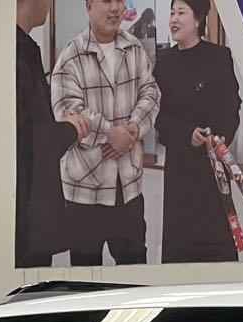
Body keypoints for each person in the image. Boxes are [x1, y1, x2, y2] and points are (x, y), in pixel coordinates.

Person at [51, 0, 161, 267]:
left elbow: (151, 93)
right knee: (86, 275)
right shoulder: (71, 55)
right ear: (89, 6)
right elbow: (67, 109)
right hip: (85, 189)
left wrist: (133, 129)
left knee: (134, 269)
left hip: (128, 186)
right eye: (107, 1)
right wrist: (110, 135)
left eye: (120, 1)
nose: (115, 8)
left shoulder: (134, 48)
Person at [155, 0, 241, 263]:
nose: (174, 19)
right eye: (172, 13)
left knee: (217, 237)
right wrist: (185, 134)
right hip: (180, 167)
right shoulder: (164, 63)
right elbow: (156, 114)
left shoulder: (219, 57)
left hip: (213, 164)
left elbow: (232, 105)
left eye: (181, 13)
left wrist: (221, 135)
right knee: (180, 241)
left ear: (198, 19)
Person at [16, 0, 83, 267]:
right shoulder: (17, 52)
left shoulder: (26, 48)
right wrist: (70, 129)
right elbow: (25, 140)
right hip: (25, 208)